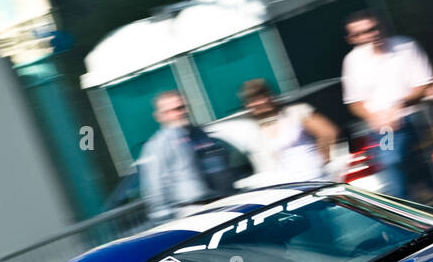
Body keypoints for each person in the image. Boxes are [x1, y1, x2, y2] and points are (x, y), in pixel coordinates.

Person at [341, 10, 433, 200]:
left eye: (374, 28)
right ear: (352, 38)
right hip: (382, 125)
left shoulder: (406, 46)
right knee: (389, 159)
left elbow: (423, 85)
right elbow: (354, 103)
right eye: (363, 33)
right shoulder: (352, 61)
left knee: (391, 158)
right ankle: (408, 202)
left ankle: (408, 202)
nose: (371, 35)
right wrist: (375, 117)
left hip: (411, 113)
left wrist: (398, 106)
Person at [136, 91, 236, 220]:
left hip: (222, 203)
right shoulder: (157, 146)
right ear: (160, 116)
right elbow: (155, 187)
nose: (181, 112)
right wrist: (164, 218)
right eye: (174, 110)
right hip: (192, 210)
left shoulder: (200, 134)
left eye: (182, 107)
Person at [235, 79, 340, 184]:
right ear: (248, 105)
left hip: (315, 180)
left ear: (271, 97)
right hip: (286, 190)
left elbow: (328, 132)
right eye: (254, 100)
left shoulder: (295, 112)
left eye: (262, 97)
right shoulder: (252, 130)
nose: (261, 102)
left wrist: (323, 161)